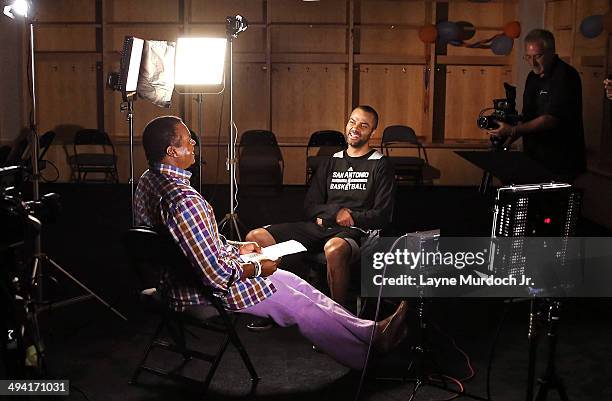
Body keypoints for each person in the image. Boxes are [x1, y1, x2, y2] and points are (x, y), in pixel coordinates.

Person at [133, 115, 408, 371]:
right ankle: (365, 359)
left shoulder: (148, 182)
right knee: (300, 304)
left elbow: (191, 242)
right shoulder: (186, 200)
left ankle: (370, 332)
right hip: (204, 292)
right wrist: (256, 269)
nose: (194, 142)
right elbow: (214, 275)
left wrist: (238, 247)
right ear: (171, 152)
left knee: (296, 282)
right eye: (187, 139)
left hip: (174, 281)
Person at [246, 105, 395, 313]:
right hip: (322, 227)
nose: (355, 128)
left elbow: (382, 215)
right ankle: (272, 307)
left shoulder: (380, 165)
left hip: (357, 232)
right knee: (257, 237)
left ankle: (339, 319)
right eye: (352, 122)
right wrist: (336, 213)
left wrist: (349, 217)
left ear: (373, 132)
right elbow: (310, 206)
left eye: (363, 125)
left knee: (333, 248)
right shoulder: (331, 161)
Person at [486, 29, 586, 181]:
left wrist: (513, 130)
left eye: (538, 56)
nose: (532, 63)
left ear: (552, 52)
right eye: (528, 57)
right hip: (534, 159)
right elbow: (528, 116)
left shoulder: (565, 76)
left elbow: (550, 119)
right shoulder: (532, 77)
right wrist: (507, 137)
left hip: (561, 163)